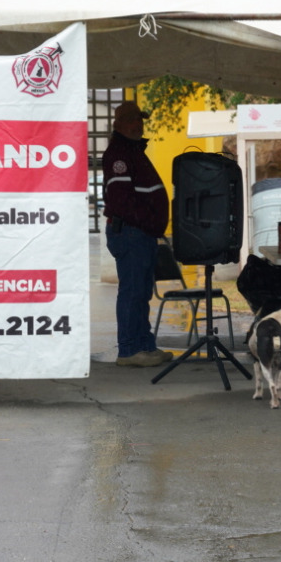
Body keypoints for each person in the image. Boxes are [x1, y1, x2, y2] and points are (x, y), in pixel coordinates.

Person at [101, 100, 173, 367]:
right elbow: (122, 201)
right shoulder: (120, 153)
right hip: (132, 233)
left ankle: (144, 345)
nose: (137, 124)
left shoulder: (131, 150)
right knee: (133, 292)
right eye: (131, 120)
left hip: (139, 233)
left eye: (139, 119)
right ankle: (130, 350)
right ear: (118, 124)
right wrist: (149, 223)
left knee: (140, 292)